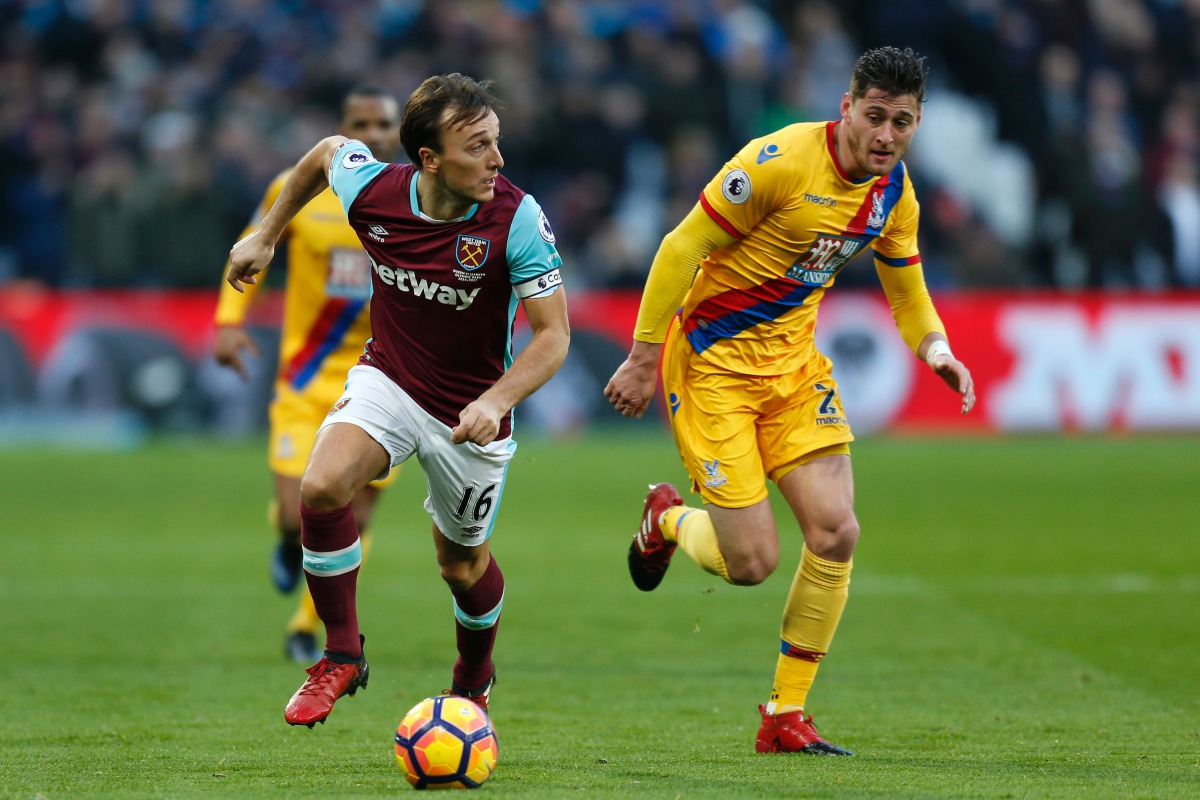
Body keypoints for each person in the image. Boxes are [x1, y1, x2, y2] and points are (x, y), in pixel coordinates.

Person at [604, 46, 975, 756]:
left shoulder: (894, 194)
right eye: (875, 117)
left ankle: (784, 716)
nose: (886, 136)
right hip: (712, 367)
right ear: (846, 107)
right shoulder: (775, 163)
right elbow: (682, 247)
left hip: (794, 370)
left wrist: (937, 351)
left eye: (903, 123)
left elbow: (907, 289)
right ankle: (668, 519)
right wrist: (644, 357)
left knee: (837, 532)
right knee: (751, 564)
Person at [226, 73, 569, 728]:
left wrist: (496, 400)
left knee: (461, 564)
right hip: (390, 377)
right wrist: (268, 234)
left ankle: (473, 676)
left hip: (470, 412)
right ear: (430, 160)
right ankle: (341, 654)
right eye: (477, 147)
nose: (496, 160)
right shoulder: (377, 192)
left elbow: (554, 338)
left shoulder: (517, 218)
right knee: (322, 487)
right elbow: (327, 153)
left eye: (496, 142)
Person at [213, 87, 403, 665]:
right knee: (301, 517)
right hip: (306, 379)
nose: (371, 132)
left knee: (355, 512)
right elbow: (251, 247)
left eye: (382, 123)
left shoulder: (416, 199)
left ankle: (307, 624)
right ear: (340, 130)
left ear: (398, 133)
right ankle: (283, 535)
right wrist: (228, 322)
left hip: (380, 381)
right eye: (359, 122)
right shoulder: (297, 189)